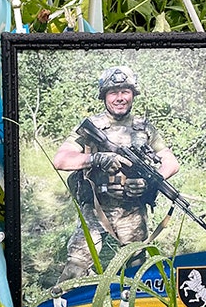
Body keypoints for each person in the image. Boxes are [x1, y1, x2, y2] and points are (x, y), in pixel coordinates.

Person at [52, 66, 179, 284]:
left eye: (125, 91)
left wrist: (150, 182)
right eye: (113, 92)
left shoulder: (144, 128)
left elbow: (171, 162)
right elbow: (61, 159)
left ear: (133, 94)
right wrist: (95, 159)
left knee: (137, 271)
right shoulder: (92, 127)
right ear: (104, 96)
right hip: (96, 208)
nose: (120, 98)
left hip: (133, 211)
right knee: (76, 266)